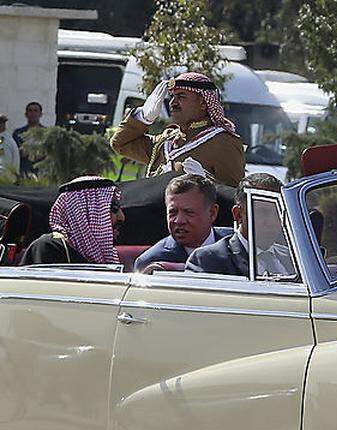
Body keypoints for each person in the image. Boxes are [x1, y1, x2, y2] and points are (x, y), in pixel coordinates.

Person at [111, 72, 245, 186]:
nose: (172, 103)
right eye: (172, 97)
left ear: (203, 103)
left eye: (181, 96)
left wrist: (206, 183)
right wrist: (143, 117)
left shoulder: (223, 142)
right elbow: (120, 143)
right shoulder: (167, 141)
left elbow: (233, 198)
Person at [187, 173, 291, 277]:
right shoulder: (208, 260)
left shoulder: (294, 259)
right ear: (238, 214)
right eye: (262, 212)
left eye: (278, 212)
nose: (272, 221)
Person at [133, 173, 233, 272]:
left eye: (189, 212)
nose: (179, 221)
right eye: (173, 212)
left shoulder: (237, 246)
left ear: (212, 213)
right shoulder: (151, 261)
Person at [18, 177, 124, 265]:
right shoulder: (49, 248)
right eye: (113, 209)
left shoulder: (100, 258)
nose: (121, 217)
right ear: (83, 212)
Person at [13, 101, 44, 176]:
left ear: (40, 114)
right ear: (26, 114)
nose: (33, 114)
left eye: (35, 111)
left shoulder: (45, 133)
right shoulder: (18, 133)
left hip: (42, 172)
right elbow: (16, 152)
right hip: (24, 171)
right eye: (30, 111)